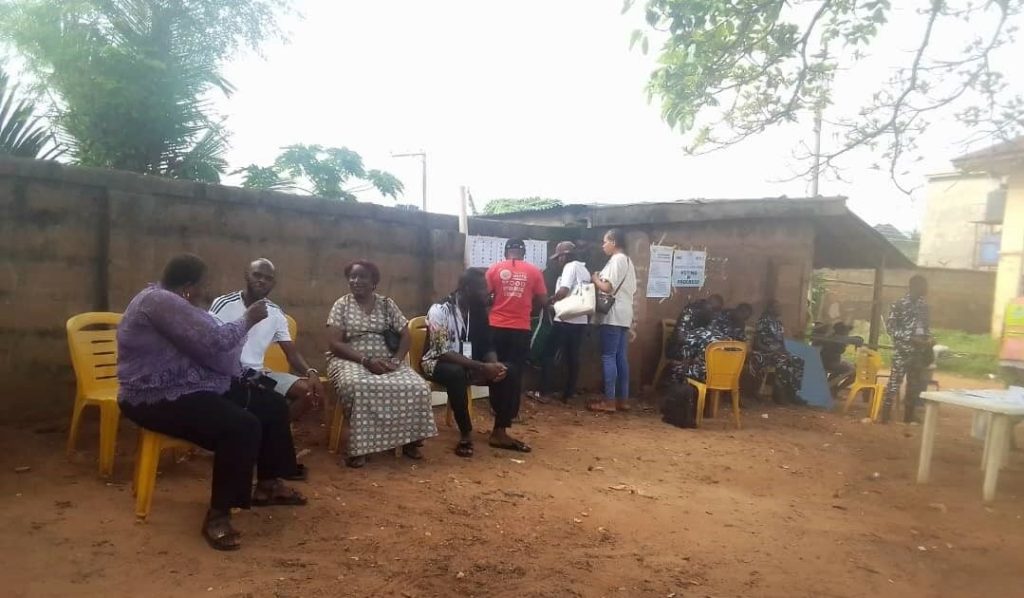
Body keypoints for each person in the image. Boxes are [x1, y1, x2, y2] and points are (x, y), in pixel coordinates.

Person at [117, 254, 305, 552]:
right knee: (240, 427)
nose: (207, 289)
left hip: (193, 384)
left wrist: (245, 376)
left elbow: (207, 349)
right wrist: (248, 319)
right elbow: (215, 341)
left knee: (271, 405)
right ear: (190, 284)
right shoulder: (159, 302)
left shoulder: (178, 304)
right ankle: (218, 515)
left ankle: (269, 485)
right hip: (153, 396)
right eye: (204, 283)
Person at [325, 260, 436, 468]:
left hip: (385, 359)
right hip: (349, 359)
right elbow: (334, 344)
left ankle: (411, 441)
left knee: (418, 387)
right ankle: (360, 448)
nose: (356, 281)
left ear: (374, 282)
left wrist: (396, 360)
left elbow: (405, 335)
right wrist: (365, 360)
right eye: (352, 276)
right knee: (358, 386)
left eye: (362, 277)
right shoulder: (342, 304)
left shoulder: (386, 304)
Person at [210, 258, 326, 423]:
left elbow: (291, 353)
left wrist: (311, 372)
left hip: (257, 375)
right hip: (228, 374)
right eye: (257, 275)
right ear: (246, 275)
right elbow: (210, 344)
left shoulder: (275, 312)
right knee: (263, 399)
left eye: (268, 278)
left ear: (273, 283)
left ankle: (273, 433)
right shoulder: (224, 304)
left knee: (307, 392)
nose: (262, 281)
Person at [422, 269, 509, 457]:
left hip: (470, 363)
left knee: (509, 371)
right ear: (467, 289)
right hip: (436, 363)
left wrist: (493, 365)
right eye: (482, 289)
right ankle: (465, 433)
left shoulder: (477, 311)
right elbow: (441, 351)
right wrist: (480, 366)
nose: (487, 293)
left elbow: (487, 343)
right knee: (456, 373)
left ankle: (500, 431)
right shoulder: (440, 309)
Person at [485, 238, 548, 452]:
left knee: (495, 373)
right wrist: (527, 308)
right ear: (523, 253)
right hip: (520, 329)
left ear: (506, 252)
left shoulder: (494, 269)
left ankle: (498, 416)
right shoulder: (533, 271)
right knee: (513, 375)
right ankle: (501, 429)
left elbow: (484, 297)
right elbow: (542, 300)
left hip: (495, 327)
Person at [589, 229, 638, 413]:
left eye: (605, 241)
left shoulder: (617, 260)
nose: (603, 245)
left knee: (608, 356)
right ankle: (622, 400)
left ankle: (609, 401)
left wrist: (595, 279)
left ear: (614, 242)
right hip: (625, 313)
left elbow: (608, 287)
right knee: (620, 357)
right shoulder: (628, 261)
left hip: (613, 313)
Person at [539, 241, 590, 403]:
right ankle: (569, 393)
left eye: (559, 257)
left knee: (547, 353)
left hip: (565, 319)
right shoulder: (584, 269)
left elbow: (563, 291)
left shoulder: (570, 267)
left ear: (565, 255)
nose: (557, 261)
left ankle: (545, 392)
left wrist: (549, 301)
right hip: (580, 319)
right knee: (572, 357)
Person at [881, 275, 933, 423]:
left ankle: (909, 417)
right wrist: (909, 338)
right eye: (923, 286)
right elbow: (890, 328)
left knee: (914, 385)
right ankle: (885, 415)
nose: (926, 289)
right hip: (903, 351)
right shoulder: (899, 304)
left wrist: (929, 338)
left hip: (919, 351)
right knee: (894, 383)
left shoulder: (924, 305)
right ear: (913, 287)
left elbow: (926, 327)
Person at [748, 300, 805, 404]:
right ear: (770, 309)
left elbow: (781, 341)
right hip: (763, 352)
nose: (780, 309)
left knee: (798, 361)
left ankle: (793, 393)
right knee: (783, 361)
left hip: (778, 352)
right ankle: (778, 393)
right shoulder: (763, 321)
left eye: (780, 307)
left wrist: (785, 351)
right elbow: (757, 343)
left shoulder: (779, 323)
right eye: (776, 307)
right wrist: (772, 351)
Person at [667, 294, 724, 362]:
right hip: (678, 348)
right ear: (707, 304)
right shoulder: (690, 311)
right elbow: (680, 338)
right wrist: (699, 337)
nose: (715, 313)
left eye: (717, 310)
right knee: (706, 357)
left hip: (698, 350)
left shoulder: (712, 316)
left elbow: (714, 335)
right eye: (714, 309)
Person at [816, 322, 857, 390]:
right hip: (829, 363)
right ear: (842, 331)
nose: (847, 333)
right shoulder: (836, 340)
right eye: (846, 331)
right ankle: (836, 390)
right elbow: (838, 352)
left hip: (828, 362)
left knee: (840, 369)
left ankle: (832, 390)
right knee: (853, 371)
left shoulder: (832, 337)